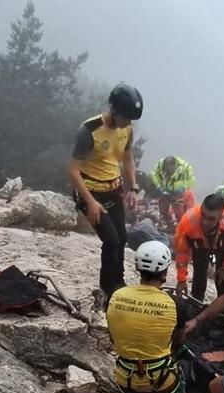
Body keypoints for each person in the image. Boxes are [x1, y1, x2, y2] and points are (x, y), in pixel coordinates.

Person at [106, 241, 187, 393]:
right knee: (180, 377)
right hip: (163, 383)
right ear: (165, 271)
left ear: (138, 268)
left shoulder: (116, 295)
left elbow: (112, 338)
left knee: (133, 372)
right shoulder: (176, 304)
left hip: (125, 379)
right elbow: (178, 341)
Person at [69, 83, 143, 299]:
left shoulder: (126, 129)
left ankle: (117, 282)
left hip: (113, 189)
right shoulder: (89, 131)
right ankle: (107, 288)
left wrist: (134, 188)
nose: (129, 123)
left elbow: (127, 157)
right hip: (90, 191)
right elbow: (73, 172)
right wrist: (90, 202)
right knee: (110, 240)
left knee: (121, 237)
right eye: (126, 117)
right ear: (115, 110)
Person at [173, 193, 224, 301]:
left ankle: (223, 307)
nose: (205, 222)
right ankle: (196, 302)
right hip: (199, 243)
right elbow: (182, 252)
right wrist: (181, 279)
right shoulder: (188, 222)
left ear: (221, 217)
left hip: (223, 244)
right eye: (203, 215)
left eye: (211, 219)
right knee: (199, 269)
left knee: (223, 276)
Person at [151, 156, 196, 228]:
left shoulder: (186, 168)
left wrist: (183, 187)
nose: (168, 172)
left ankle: (181, 227)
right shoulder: (160, 165)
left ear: (175, 166)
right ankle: (170, 225)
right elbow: (153, 175)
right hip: (165, 188)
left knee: (179, 211)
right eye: (166, 170)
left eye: (170, 171)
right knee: (163, 207)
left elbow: (192, 180)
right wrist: (159, 186)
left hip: (180, 190)